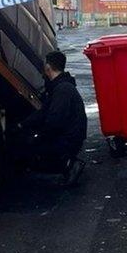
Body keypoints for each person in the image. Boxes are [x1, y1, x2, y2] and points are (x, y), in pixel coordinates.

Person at [17, 50, 88, 186]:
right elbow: (44, 113)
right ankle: (65, 161)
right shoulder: (62, 87)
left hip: (68, 139)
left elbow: (54, 121)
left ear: (48, 67)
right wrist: (24, 124)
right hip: (71, 136)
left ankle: (68, 164)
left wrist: (38, 137)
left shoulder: (61, 90)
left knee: (32, 152)